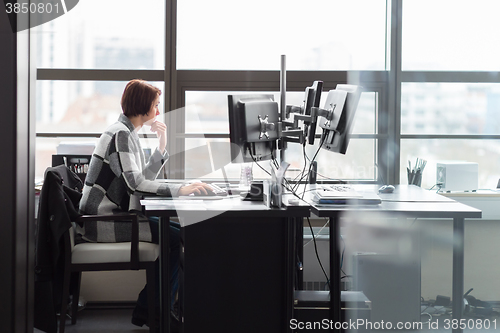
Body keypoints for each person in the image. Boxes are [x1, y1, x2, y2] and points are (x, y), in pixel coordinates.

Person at [78, 79, 212, 328]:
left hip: (116, 216)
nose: (158, 111)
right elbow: (135, 185)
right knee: (177, 239)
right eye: (156, 105)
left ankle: (150, 308)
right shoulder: (120, 134)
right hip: (105, 221)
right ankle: (154, 310)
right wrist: (180, 189)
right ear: (144, 106)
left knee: (181, 236)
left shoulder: (127, 132)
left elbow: (140, 180)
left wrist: (161, 148)